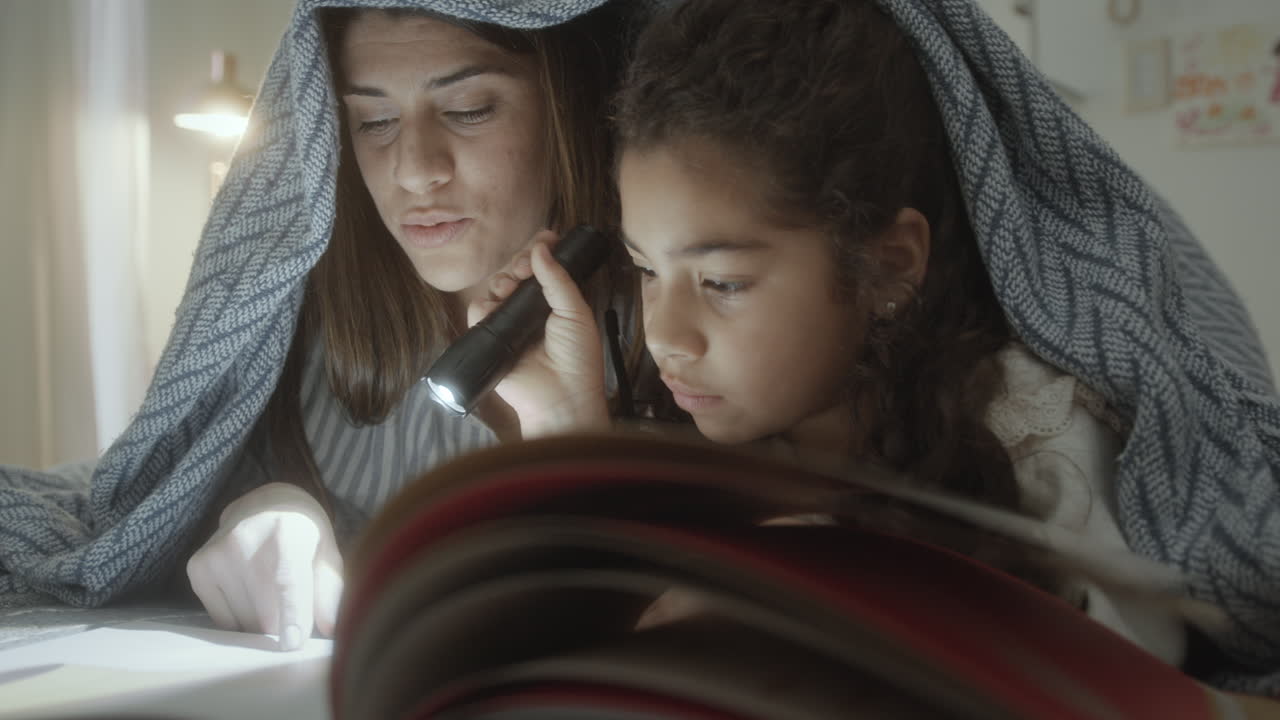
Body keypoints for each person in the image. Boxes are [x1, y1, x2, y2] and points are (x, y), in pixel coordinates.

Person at [483, 0, 1280, 692]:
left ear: (888, 267)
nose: (665, 335)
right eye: (647, 269)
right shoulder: (683, 442)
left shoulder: (1034, 439)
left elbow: (1115, 689)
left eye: (722, 282)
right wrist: (561, 417)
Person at [183, 1, 647, 650]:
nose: (413, 170)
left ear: (568, 110)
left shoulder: (672, 328)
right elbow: (184, 490)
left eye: (469, 110)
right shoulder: (301, 315)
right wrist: (269, 502)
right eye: (374, 121)